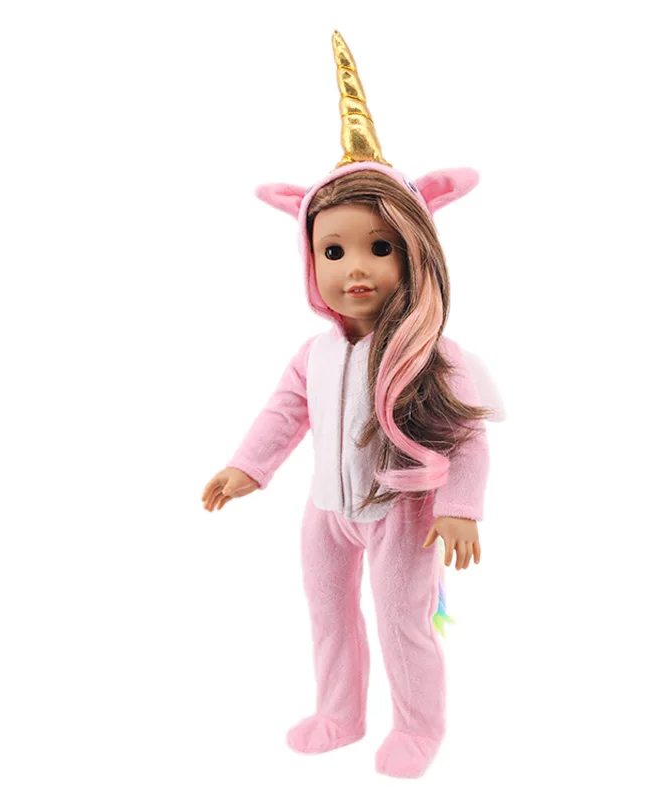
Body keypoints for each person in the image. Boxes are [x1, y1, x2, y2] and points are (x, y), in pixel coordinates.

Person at [201, 30, 505, 779]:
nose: (355, 269)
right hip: (325, 512)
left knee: (404, 621)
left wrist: (460, 508)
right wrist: (248, 468)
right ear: (311, 261)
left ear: (416, 251)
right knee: (328, 613)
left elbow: (466, 440)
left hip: (402, 512)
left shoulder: (432, 352)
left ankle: (419, 727)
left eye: (381, 247)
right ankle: (339, 713)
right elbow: (283, 414)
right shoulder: (316, 352)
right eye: (333, 252)